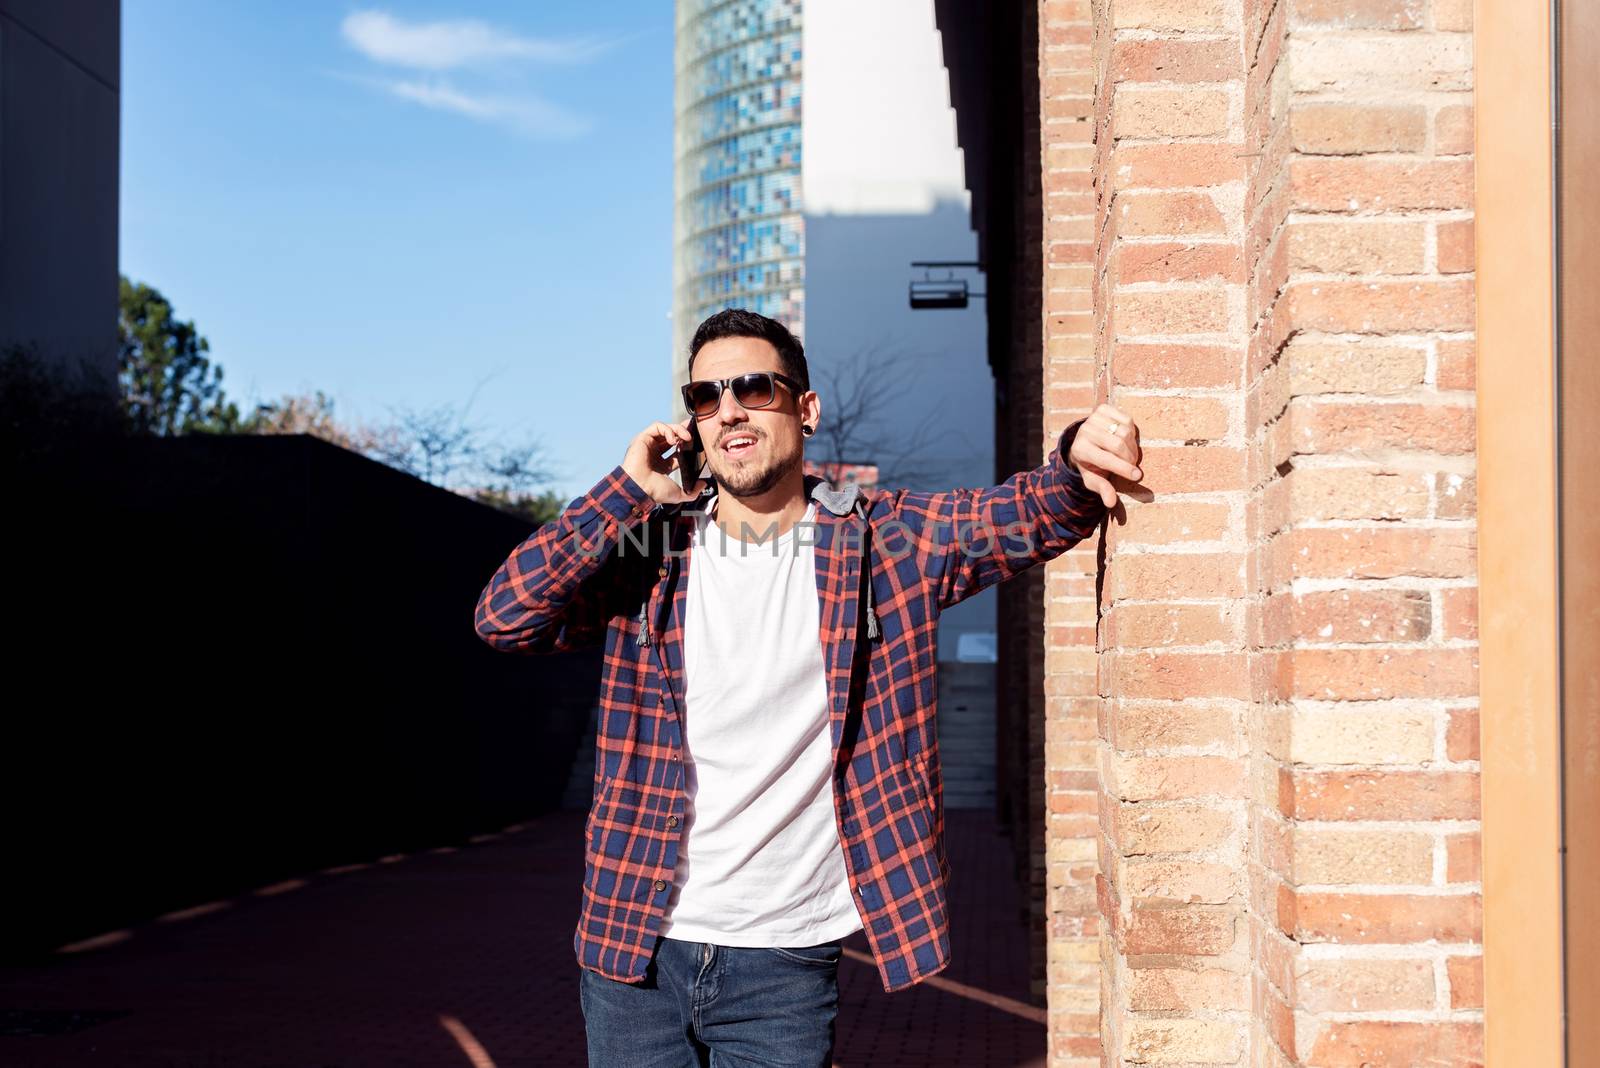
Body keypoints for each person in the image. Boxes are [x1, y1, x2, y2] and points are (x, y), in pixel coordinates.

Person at [474, 308, 1144, 1067]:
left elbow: (1016, 516)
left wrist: (1074, 458)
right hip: (633, 947)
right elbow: (505, 616)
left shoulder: (883, 541)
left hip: (785, 962)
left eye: (754, 387)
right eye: (704, 397)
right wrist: (625, 489)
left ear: (806, 408)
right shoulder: (648, 548)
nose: (728, 409)